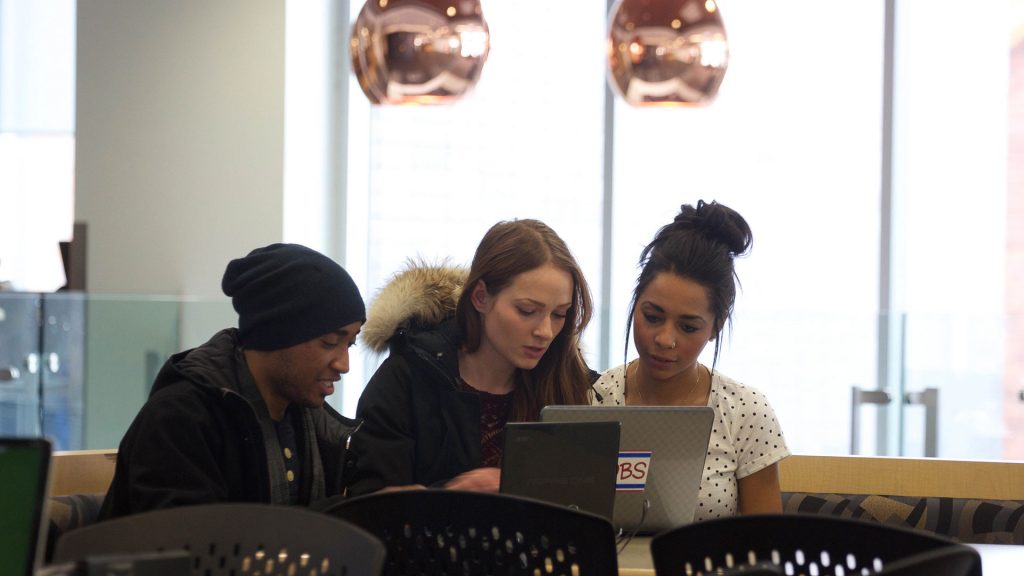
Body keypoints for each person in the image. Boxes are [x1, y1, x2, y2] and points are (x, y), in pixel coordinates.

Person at [98, 243, 366, 520]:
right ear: (278, 334)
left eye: (350, 343)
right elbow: (196, 548)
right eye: (330, 342)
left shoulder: (309, 419)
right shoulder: (179, 419)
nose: (343, 365)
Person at [348, 219, 594, 495]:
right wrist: (455, 496)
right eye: (526, 310)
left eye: (559, 314)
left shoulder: (567, 379)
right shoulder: (407, 375)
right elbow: (367, 505)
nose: (546, 331)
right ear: (480, 298)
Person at [592, 200, 789, 520]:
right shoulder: (596, 398)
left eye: (688, 327)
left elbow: (766, 545)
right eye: (652, 316)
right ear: (635, 304)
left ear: (716, 326)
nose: (665, 339)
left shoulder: (745, 410)